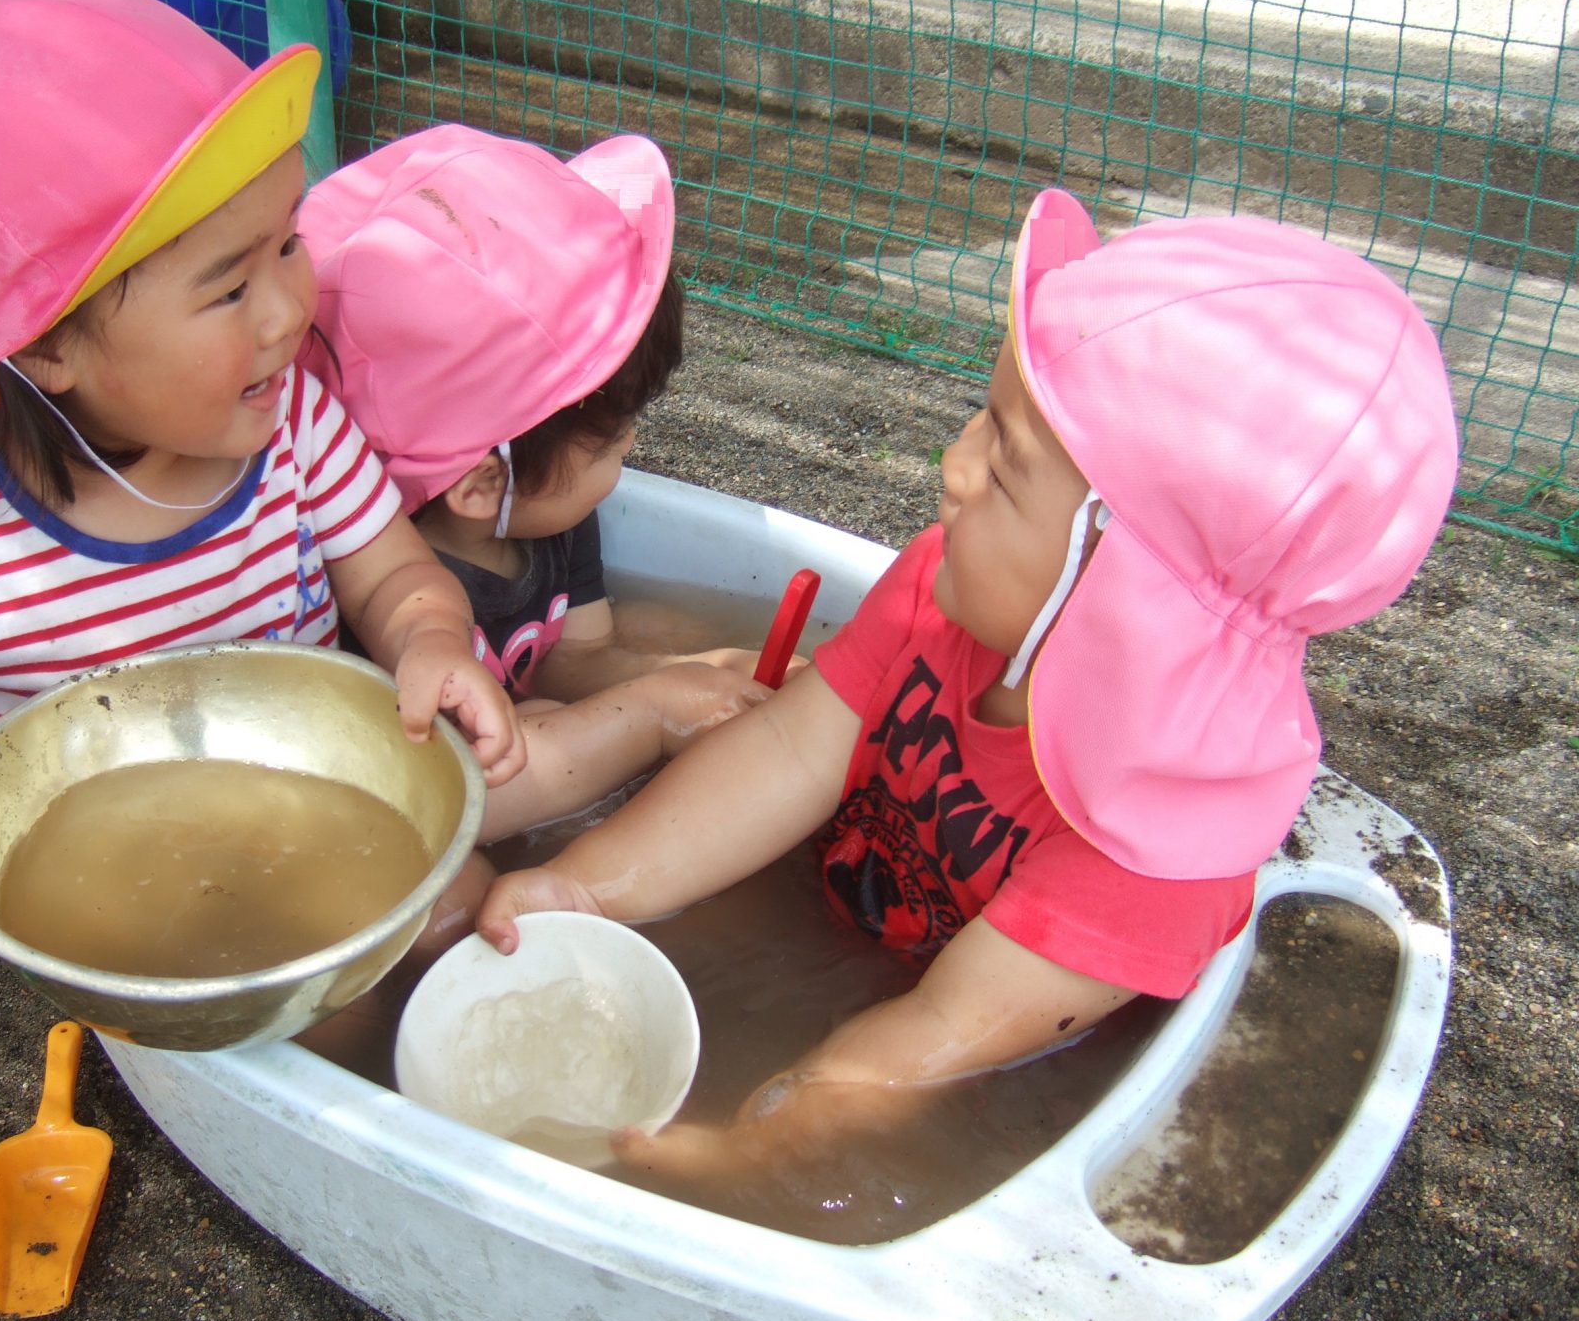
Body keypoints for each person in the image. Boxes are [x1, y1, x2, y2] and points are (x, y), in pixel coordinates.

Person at [476, 187, 1460, 1182]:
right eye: (984, 419)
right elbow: (782, 753)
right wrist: (588, 886)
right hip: (833, 894)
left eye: (1007, 466)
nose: (954, 465)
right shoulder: (941, 596)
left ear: (1127, 590)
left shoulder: (1156, 848)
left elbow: (935, 1037)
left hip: (945, 1012)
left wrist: (751, 1148)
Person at [0, 0, 523, 891]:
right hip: (108, 890)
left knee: (462, 902)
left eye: (289, 244)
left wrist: (431, 640)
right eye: (228, 290)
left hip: (314, 827)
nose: (288, 312)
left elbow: (393, 578)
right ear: (47, 346)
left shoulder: (292, 423)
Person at [300, 123, 778, 844]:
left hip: (533, 744)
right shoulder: (378, 603)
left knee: (675, 641)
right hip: (432, 804)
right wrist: (657, 702)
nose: (631, 448)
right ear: (482, 485)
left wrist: (708, 670)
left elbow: (576, 656)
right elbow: (418, 801)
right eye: (611, 441)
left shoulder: (550, 511)